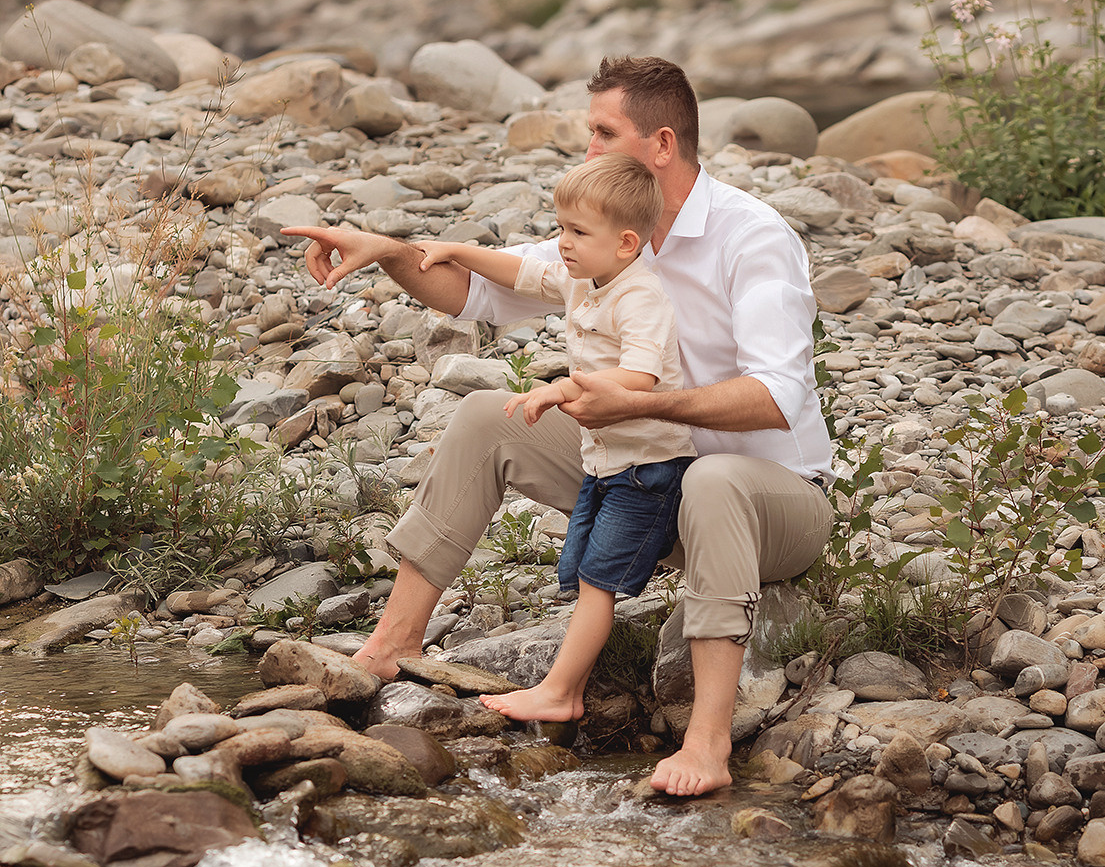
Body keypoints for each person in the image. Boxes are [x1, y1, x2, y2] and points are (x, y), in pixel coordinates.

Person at [283, 53, 834, 798]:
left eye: (603, 134)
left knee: (713, 477)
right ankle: (391, 642)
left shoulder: (753, 237)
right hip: (653, 477)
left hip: (775, 504)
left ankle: (707, 744)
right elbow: (474, 286)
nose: (588, 153)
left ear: (662, 145)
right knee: (487, 415)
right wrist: (387, 252)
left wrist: (639, 404)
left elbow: (777, 398)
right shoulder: (603, 232)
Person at [412, 153, 693, 724]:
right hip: (605, 460)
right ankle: (573, 677)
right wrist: (457, 251)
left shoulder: (641, 297)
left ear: (625, 242)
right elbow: (521, 272)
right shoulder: (586, 277)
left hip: (648, 466)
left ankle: (562, 692)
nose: (561, 242)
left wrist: (563, 388)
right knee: (582, 567)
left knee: (598, 582)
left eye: (576, 232)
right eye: (559, 227)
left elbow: (641, 376)